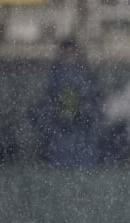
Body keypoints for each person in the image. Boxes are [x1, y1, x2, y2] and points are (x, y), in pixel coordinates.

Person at [28, 38, 103, 168]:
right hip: (61, 123)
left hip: (80, 123)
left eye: (72, 52)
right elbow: (49, 96)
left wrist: (84, 109)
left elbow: (91, 96)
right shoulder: (56, 73)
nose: (70, 56)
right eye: (66, 53)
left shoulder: (83, 73)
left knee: (80, 149)